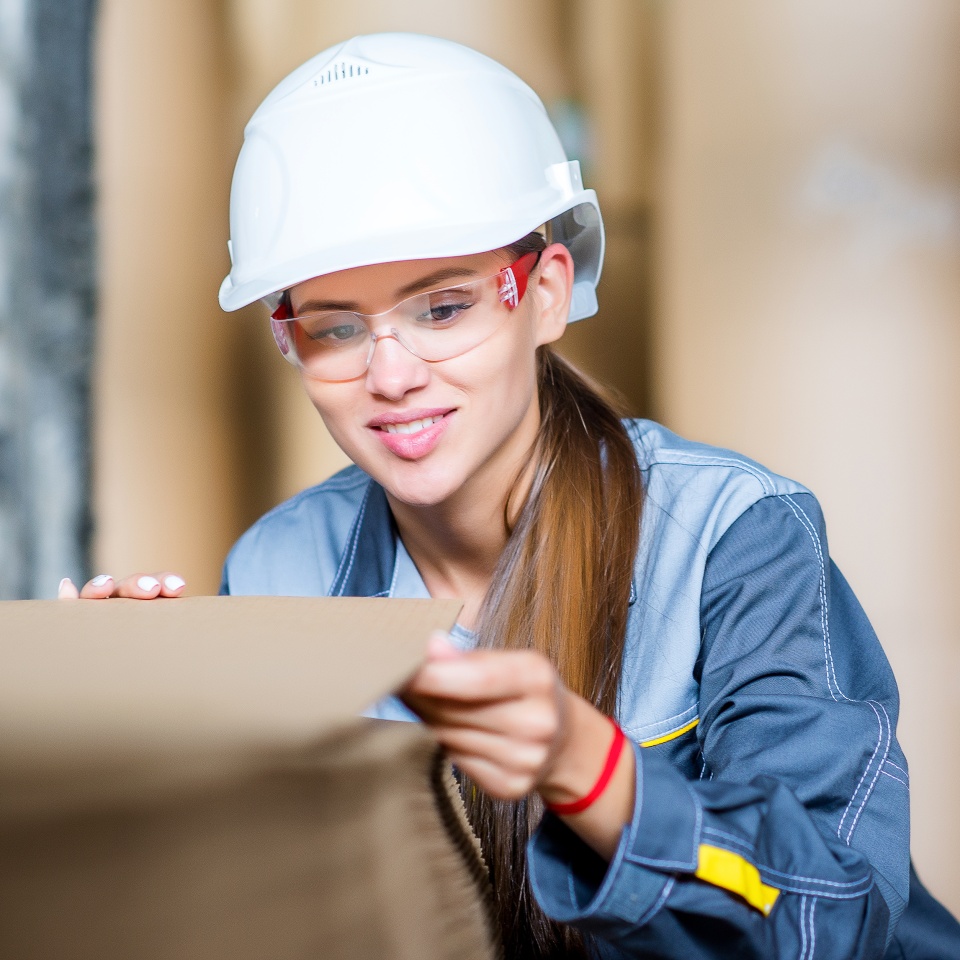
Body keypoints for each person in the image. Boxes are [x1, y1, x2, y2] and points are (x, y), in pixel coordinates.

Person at [61, 33, 960, 960]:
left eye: (442, 307)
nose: (392, 374)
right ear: (289, 342)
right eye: (335, 329)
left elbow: (834, 919)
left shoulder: (729, 538)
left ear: (545, 293)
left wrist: (591, 769)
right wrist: (127, 727)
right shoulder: (278, 567)